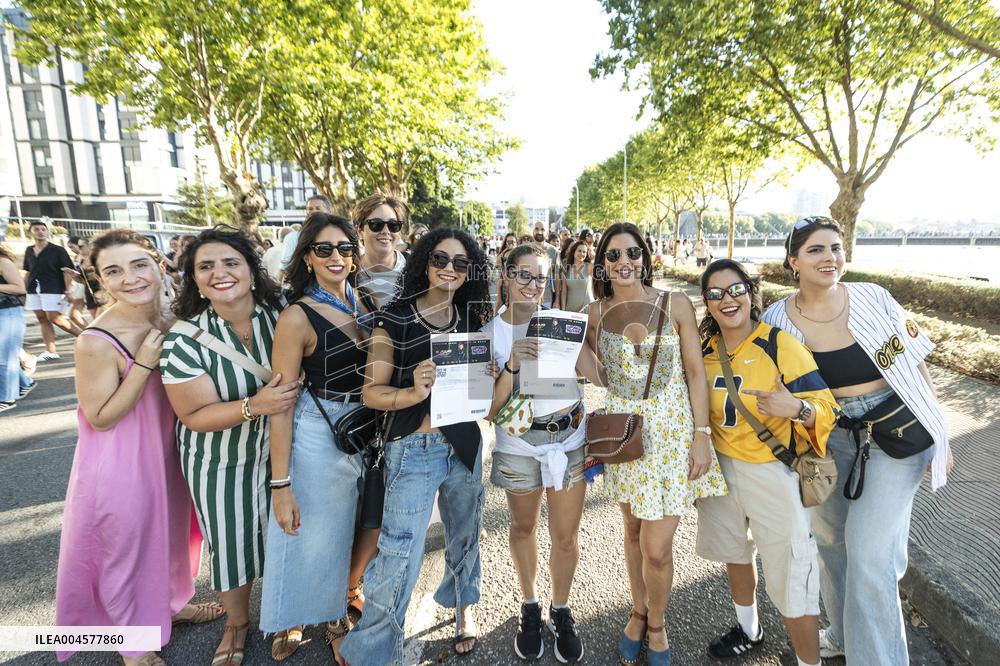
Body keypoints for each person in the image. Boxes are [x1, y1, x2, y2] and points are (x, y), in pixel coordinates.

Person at [761, 216, 952, 665]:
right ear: (793, 261)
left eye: (836, 248)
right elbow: (774, 392)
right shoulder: (776, 321)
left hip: (896, 435)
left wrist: (939, 426)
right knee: (829, 542)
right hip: (822, 439)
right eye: (816, 250)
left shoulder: (873, 297)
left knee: (869, 556)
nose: (830, 258)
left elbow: (916, 362)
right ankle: (845, 634)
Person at [56, 230, 218, 665]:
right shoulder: (95, 339)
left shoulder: (170, 313)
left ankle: (171, 603)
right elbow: (101, 416)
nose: (130, 278)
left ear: (158, 265)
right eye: (113, 271)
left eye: (138, 264)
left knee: (170, 533)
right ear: (100, 282)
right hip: (120, 460)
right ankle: (133, 643)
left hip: (170, 449)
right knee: (125, 546)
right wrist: (144, 363)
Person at [339, 228, 495, 666]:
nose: (449, 269)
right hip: (414, 449)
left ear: (471, 272)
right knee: (398, 552)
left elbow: (479, 396)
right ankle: (375, 651)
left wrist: (490, 372)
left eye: (461, 263)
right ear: (424, 262)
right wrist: (412, 391)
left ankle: (466, 607)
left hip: (463, 444)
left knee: (466, 531)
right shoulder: (395, 318)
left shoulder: (469, 319)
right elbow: (373, 393)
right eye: (440, 259)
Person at [577, 222, 727, 665]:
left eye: (632, 252)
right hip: (627, 435)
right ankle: (638, 611)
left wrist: (702, 437)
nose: (624, 262)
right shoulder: (593, 312)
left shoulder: (675, 302)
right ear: (601, 263)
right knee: (633, 531)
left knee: (657, 548)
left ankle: (658, 624)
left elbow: (695, 373)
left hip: (674, 433)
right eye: (613, 255)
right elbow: (589, 364)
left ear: (646, 256)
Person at [160, 227, 299, 666]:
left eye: (230, 263)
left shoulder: (280, 314)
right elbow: (194, 416)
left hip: (284, 450)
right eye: (206, 267)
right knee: (232, 542)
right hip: (219, 460)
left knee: (289, 533)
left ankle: (286, 613)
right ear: (194, 281)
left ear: (252, 272)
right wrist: (253, 405)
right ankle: (237, 623)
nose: (219, 273)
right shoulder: (184, 339)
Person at [695, 259, 838, 666]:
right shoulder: (704, 351)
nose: (728, 300)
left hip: (772, 474)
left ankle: (809, 661)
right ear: (706, 303)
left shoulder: (779, 344)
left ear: (751, 292)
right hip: (720, 471)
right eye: (716, 293)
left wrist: (796, 407)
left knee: (793, 577)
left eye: (736, 289)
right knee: (736, 554)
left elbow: (826, 408)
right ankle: (749, 629)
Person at [260, 213, 380, 663]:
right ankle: (294, 615)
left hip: (365, 428)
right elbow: (281, 402)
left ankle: (334, 611)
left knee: (347, 526)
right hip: (318, 430)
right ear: (307, 257)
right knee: (308, 530)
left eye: (345, 248)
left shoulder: (363, 299)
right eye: (324, 249)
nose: (337, 257)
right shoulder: (295, 315)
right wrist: (281, 483)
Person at [484, 244, 587, 663]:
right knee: (523, 528)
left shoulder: (564, 324)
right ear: (506, 277)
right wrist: (511, 364)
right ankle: (530, 606)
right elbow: (490, 411)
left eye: (540, 277)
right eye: (523, 275)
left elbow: (593, 372)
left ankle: (560, 609)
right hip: (519, 446)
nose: (532, 285)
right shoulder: (489, 333)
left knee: (566, 535)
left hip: (569, 440)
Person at [23, 220, 81, 360]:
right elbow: (28, 271)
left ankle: (86, 337)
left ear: (47, 231)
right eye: (36, 229)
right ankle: (51, 351)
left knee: (54, 317)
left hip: (53, 287)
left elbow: (67, 271)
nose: (40, 232)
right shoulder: (29, 250)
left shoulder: (58, 250)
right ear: (31, 232)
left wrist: (68, 291)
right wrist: (23, 291)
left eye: (43, 229)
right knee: (42, 318)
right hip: (33, 288)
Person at [353, 194, 408, 307]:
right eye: (376, 224)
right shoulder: (348, 273)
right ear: (359, 231)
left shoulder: (418, 268)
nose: (386, 231)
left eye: (393, 225)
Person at [0, 244, 33, 412]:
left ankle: (6, 398)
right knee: (5, 355)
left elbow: (20, 288)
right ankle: (25, 382)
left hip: (8, 313)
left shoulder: (3, 262)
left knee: (4, 357)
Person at [559, 240, 594, 313]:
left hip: (588, 309)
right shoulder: (566, 269)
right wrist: (563, 310)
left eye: (584, 252)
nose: (582, 254)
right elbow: (564, 292)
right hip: (570, 310)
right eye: (579, 251)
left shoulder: (590, 267)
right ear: (574, 251)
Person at [531, 222, 559, 307]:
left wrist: (557, 300)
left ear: (547, 232)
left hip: (547, 298)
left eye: (542, 229)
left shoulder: (554, 251)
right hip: (528, 297)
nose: (539, 232)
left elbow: (557, 278)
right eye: (536, 229)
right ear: (532, 231)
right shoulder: (524, 249)